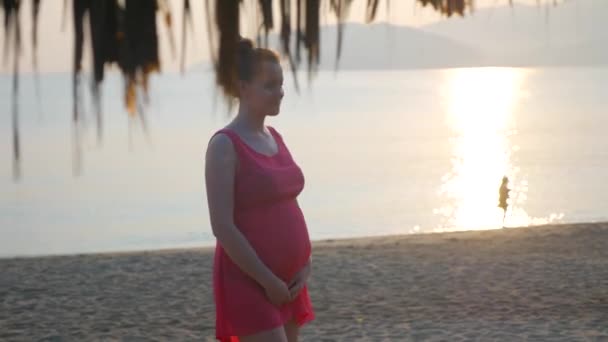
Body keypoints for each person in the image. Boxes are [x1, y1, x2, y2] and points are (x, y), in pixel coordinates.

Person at [204, 38, 314, 342]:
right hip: (249, 280)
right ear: (243, 88)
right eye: (269, 85)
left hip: (291, 280)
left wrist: (305, 263)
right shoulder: (224, 146)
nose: (279, 92)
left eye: (281, 84)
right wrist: (267, 281)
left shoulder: (275, 137)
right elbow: (222, 226)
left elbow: (289, 203)